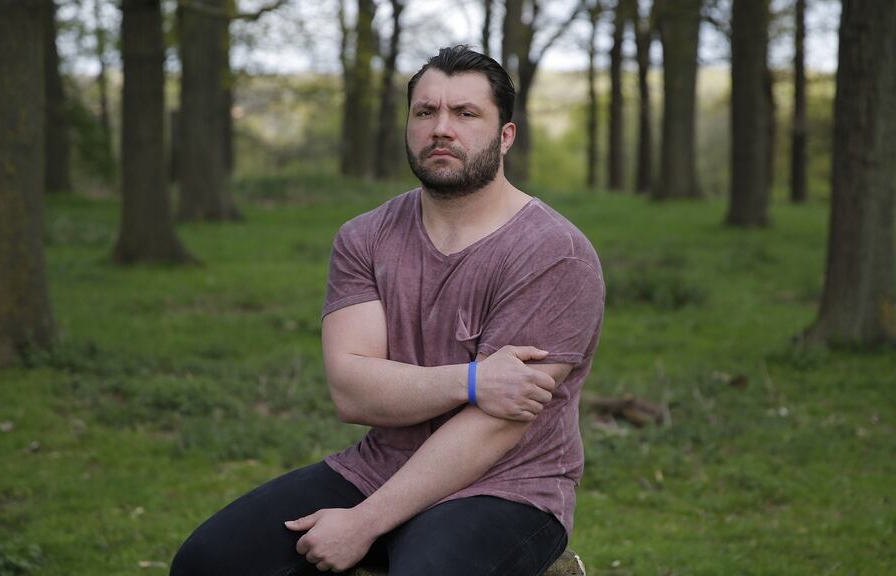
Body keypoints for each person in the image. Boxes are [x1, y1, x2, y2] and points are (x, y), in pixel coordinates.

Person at [170, 45, 604, 576]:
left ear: (505, 136)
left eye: (466, 114)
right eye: (426, 112)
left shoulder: (555, 253)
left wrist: (362, 523)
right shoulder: (365, 237)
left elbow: (499, 424)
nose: (441, 128)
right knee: (206, 563)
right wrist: (472, 380)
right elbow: (351, 389)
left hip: (510, 487)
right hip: (379, 466)